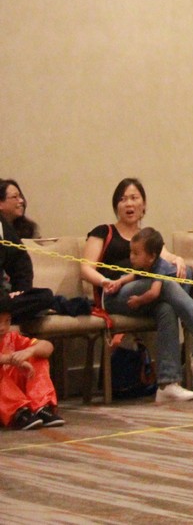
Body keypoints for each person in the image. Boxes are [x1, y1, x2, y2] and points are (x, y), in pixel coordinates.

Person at [81, 178, 193, 402]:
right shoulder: (104, 232)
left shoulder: (148, 237)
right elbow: (85, 268)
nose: (129, 203)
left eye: (134, 198)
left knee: (166, 308)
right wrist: (105, 281)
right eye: (123, 199)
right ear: (116, 205)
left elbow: (167, 258)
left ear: (143, 205)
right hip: (115, 292)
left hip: (146, 294)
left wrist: (178, 259)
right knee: (167, 283)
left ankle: (167, 384)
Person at [0, 292, 63, 429]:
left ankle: (41, 407)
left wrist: (29, 351)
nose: (2, 327)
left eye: (7, 321)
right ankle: (17, 413)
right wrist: (10, 359)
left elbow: (47, 346)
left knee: (38, 357)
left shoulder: (11, 337)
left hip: (14, 391)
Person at [0, 180, 57, 324]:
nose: (21, 201)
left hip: (5, 298)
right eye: (15, 197)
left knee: (44, 296)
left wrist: (21, 291)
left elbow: (21, 264)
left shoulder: (6, 228)